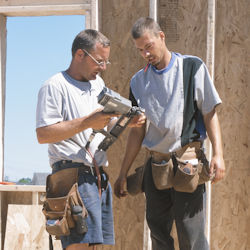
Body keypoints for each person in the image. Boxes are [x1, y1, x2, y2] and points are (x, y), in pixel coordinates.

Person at [114, 17, 226, 250]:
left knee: (190, 235)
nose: (145, 54)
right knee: (158, 233)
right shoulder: (138, 81)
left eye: (149, 47)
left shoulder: (192, 67)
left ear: (161, 37)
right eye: (140, 50)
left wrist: (218, 155)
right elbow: (137, 132)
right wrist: (123, 172)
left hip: (188, 164)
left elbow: (209, 113)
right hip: (156, 167)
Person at [36, 29, 145, 250]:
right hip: (72, 178)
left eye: (107, 62)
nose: (103, 67)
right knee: (78, 247)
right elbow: (43, 134)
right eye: (99, 61)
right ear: (79, 55)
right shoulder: (55, 86)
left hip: (97, 177)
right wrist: (87, 121)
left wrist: (126, 122)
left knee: (97, 247)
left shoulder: (97, 85)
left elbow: (101, 123)